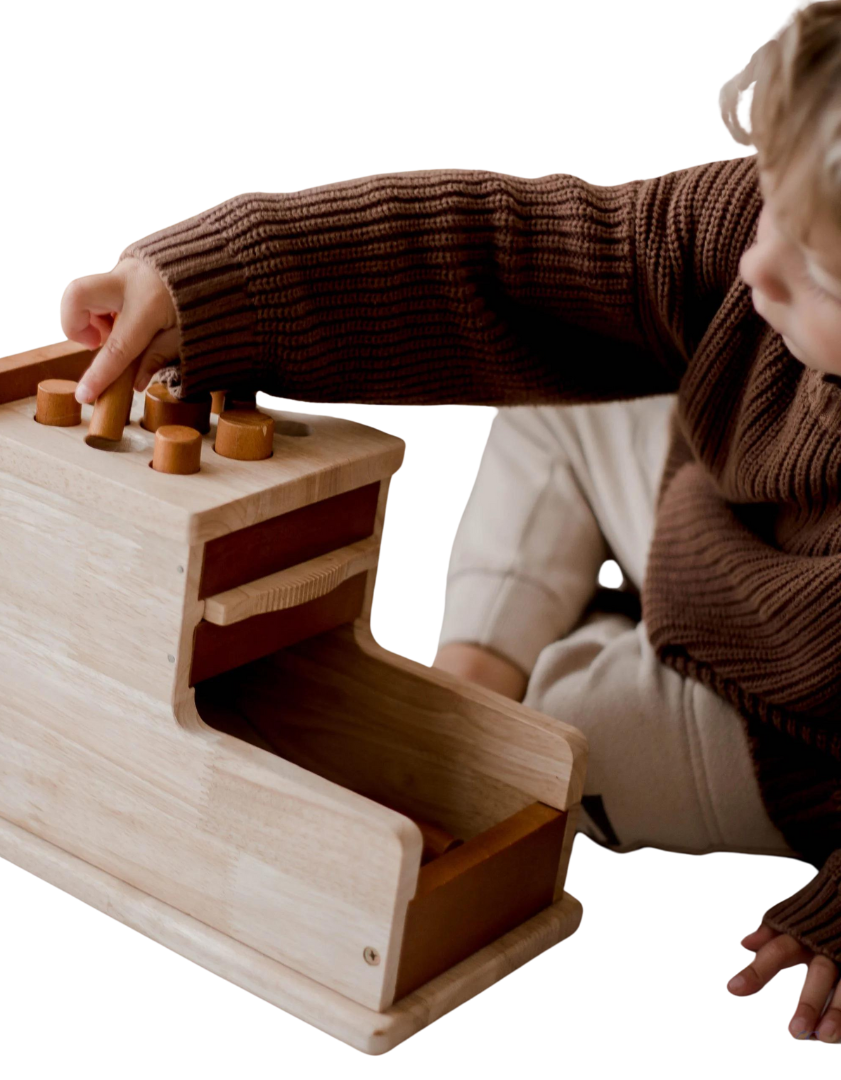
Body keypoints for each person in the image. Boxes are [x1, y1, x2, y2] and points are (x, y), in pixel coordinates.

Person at [59, 1, 840, 1043]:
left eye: (822, 268)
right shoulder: (757, 241)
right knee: (561, 390)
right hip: (712, 515)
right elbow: (519, 253)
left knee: (561, 757)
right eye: (770, 201)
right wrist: (217, 284)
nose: (759, 264)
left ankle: (526, 701)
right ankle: (472, 665)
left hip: (795, 724)